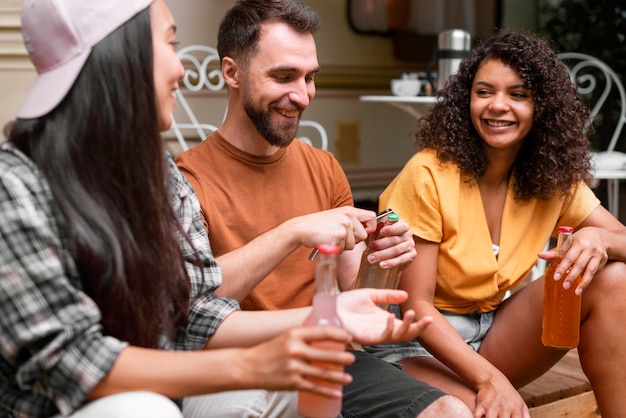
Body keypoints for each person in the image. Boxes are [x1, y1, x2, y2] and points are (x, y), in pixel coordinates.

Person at [0, 1, 443, 417]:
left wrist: (330, 315)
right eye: (169, 44)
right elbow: (70, 360)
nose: (181, 67)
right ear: (116, 58)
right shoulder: (13, 184)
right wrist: (257, 365)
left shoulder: (157, 173)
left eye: (309, 77)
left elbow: (191, 309)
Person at [175, 0, 474, 417]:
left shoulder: (323, 166)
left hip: (329, 359)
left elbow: (357, 296)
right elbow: (191, 305)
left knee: (450, 412)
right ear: (232, 73)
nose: (302, 95)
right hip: (237, 370)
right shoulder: (188, 180)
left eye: (310, 77)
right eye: (283, 77)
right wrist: (292, 232)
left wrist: (383, 257)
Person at [366, 30, 626, 417]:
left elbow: (620, 239)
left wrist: (600, 238)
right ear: (466, 99)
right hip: (416, 343)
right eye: (484, 91)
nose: (497, 106)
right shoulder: (427, 174)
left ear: (543, 106)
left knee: (615, 277)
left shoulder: (551, 178)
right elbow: (416, 309)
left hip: (492, 331)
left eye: (518, 94)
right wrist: (492, 380)